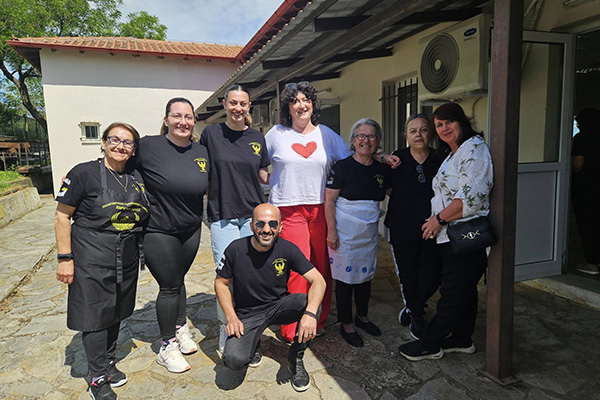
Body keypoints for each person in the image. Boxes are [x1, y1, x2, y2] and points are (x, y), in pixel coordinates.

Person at [266, 81, 398, 342]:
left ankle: (318, 319)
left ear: (313, 105)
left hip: (319, 208)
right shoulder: (276, 134)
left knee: (322, 268)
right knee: (297, 268)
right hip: (289, 209)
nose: (301, 105)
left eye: (306, 100)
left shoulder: (325, 134)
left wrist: (382, 157)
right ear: (287, 107)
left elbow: (355, 152)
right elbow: (258, 163)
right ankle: (291, 325)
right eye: (295, 101)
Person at [55, 122, 149, 400]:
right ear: (104, 142)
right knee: (95, 317)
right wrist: (65, 258)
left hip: (126, 258)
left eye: (127, 142)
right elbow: (62, 215)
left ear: (134, 149)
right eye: (114, 139)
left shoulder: (136, 176)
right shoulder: (83, 173)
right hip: (91, 257)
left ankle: (107, 363)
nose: (120, 146)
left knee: (116, 312)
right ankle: (97, 378)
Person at [398, 102, 493, 361]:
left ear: (461, 121)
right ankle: (462, 338)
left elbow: (471, 197)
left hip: (465, 233)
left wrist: (438, 219)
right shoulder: (454, 153)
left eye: (448, 122)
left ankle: (430, 342)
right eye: (439, 125)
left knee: (452, 291)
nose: (444, 128)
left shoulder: (475, 149)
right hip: (450, 234)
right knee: (465, 290)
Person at [215, 203, 326, 392]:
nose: (266, 229)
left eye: (273, 224)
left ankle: (296, 358)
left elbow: (318, 281)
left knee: (312, 305)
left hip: (278, 306)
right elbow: (220, 283)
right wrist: (231, 318)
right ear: (252, 226)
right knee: (234, 360)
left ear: (280, 227)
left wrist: (309, 314)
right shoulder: (235, 249)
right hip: (248, 314)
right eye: (260, 224)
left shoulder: (288, 249)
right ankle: (254, 342)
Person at [135, 97, 209, 373]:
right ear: (166, 120)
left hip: (190, 228)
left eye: (188, 117)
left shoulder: (201, 151)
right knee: (168, 286)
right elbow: (118, 161)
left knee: (178, 280)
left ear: (194, 121)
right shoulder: (148, 146)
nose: (183, 122)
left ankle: (179, 327)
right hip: (158, 229)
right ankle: (166, 346)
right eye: (177, 116)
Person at [200, 85, 270, 353]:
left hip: (253, 217)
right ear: (224, 104)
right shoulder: (211, 134)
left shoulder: (257, 137)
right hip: (223, 215)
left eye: (243, 103)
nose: (238, 108)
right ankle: (226, 326)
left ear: (249, 106)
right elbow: (202, 171)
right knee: (226, 275)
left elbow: (264, 175)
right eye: (233, 103)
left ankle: (250, 328)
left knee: (251, 275)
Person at [324, 118, 389, 347]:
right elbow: (329, 201)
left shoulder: (381, 169)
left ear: (377, 141)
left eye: (371, 136)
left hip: (368, 233)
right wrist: (332, 231)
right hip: (344, 233)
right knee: (345, 279)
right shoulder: (342, 167)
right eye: (361, 135)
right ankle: (347, 323)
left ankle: (362, 316)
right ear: (353, 140)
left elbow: (393, 191)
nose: (366, 140)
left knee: (365, 276)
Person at [385, 114, 443, 340]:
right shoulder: (397, 159)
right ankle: (417, 316)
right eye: (413, 131)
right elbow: (388, 188)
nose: (418, 135)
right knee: (408, 275)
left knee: (433, 274)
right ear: (406, 135)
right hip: (402, 227)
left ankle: (413, 306)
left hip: (432, 227)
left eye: (423, 130)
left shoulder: (440, 158)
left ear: (431, 133)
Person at [571, 108, 600, 275]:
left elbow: (578, 164)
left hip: (586, 188)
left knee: (588, 223)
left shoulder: (582, 138)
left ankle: (592, 262)